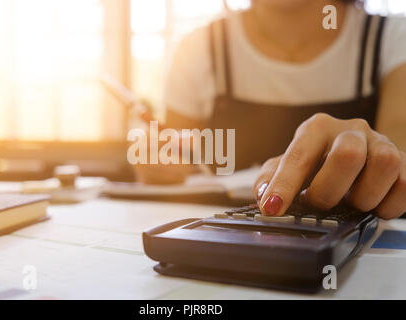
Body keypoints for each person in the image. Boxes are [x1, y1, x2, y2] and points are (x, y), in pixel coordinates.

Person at [135, 0, 406, 220]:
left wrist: (380, 159)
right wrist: (159, 164)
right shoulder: (198, 47)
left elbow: (399, 156)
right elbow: (175, 158)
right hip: (226, 249)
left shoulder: (392, 39)